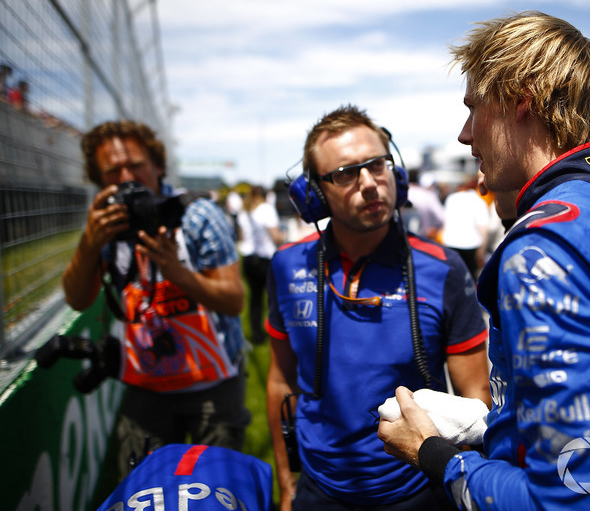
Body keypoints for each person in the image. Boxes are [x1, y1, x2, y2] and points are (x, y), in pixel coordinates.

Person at [378, 11, 590, 511]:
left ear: (519, 99)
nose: (464, 134)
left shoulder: (544, 246)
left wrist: (434, 455)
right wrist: (492, 423)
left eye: (473, 107)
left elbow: (576, 497)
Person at [266, 104, 491, 510]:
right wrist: (286, 483)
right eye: (346, 173)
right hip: (318, 491)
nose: (370, 183)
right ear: (315, 195)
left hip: (420, 490)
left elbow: (476, 397)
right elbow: (281, 382)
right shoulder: (285, 266)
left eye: (377, 164)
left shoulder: (442, 269)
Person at [61, 120, 251, 478]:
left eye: (136, 165)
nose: (127, 176)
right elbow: (77, 299)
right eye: (113, 171)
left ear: (158, 165)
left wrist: (176, 271)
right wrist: (90, 242)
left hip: (212, 383)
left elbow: (234, 300)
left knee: (216, 491)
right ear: (100, 180)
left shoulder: (196, 214)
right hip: (146, 385)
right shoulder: (107, 227)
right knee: (143, 491)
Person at [237, 184, 285, 344]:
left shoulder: (244, 211)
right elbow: (275, 237)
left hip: (248, 257)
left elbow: (242, 235)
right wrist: (285, 236)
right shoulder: (266, 209)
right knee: (273, 298)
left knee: (255, 299)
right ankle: (276, 332)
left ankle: (256, 333)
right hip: (265, 258)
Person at [440, 174, 490, 281]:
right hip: (471, 246)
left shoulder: (451, 198)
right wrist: (481, 254)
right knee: (470, 281)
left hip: (451, 244)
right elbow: (483, 229)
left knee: (453, 280)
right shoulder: (478, 201)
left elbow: (445, 224)